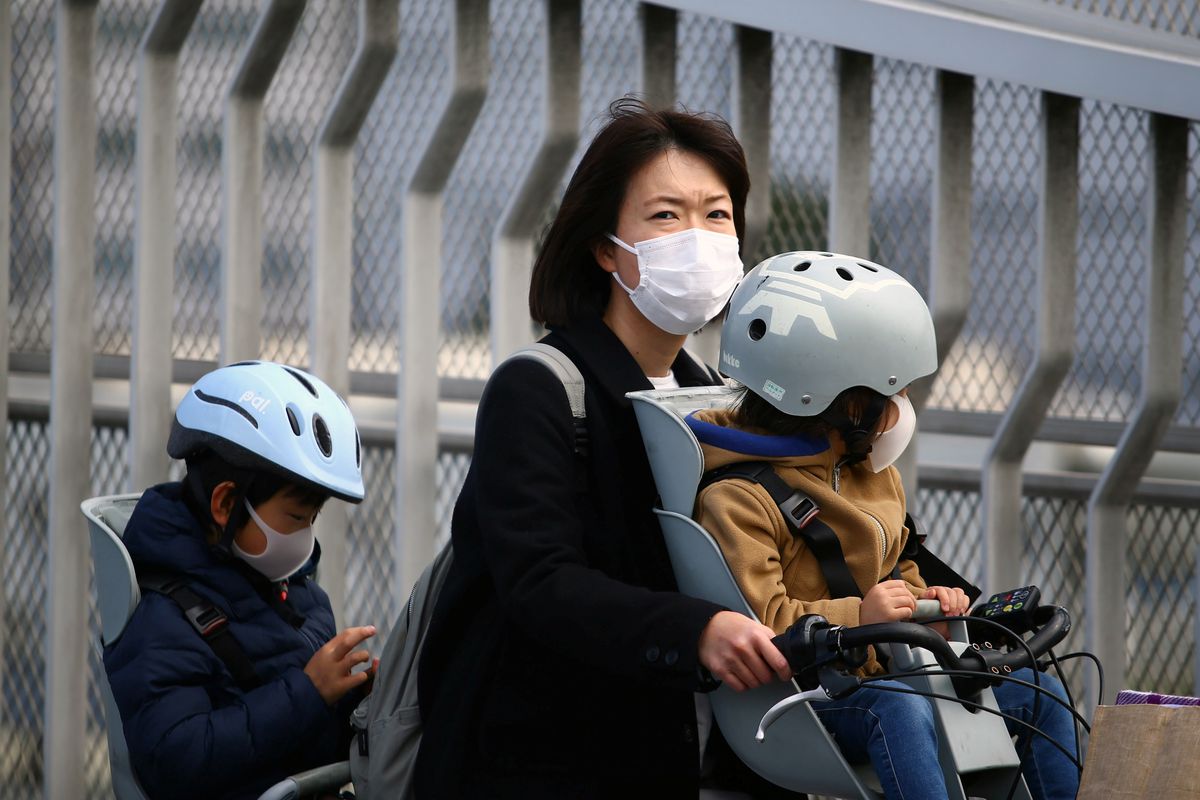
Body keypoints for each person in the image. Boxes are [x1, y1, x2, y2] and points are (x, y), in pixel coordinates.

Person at [414, 98, 795, 799]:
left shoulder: (715, 400)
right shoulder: (538, 388)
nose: (698, 237)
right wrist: (695, 632)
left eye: (716, 214)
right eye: (666, 215)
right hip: (547, 766)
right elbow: (540, 580)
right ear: (605, 248)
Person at [691, 251, 1081, 800]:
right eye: (894, 392)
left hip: (894, 672)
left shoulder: (873, 476)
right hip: (814, 698)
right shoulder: (738, 499)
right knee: (900, 708)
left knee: (1039, 694)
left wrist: (931, 606)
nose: (903, 405)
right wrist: (862, 616)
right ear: (850, 406)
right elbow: (765, 624)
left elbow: (897, 568)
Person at [103, 361, 378, 800]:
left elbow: (303, 741)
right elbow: (175, 759)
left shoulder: (302, 600)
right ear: (226, 504)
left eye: (313, 518)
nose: (306, 535)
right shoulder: (164, 621)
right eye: (296, 516)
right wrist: (309, 692)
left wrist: (359, 703)